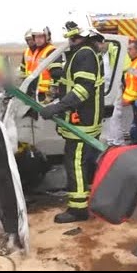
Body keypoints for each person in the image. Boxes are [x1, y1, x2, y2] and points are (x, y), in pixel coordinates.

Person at [38, 20, 104, 223]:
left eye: (72, 38)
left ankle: (78, 209)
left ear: (80, 36)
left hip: (82, 121)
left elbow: (82, 90)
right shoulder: (84, 52)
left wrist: (57, 108)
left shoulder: (84, 54)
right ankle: (85, 197)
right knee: (83, 161)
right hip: (83, 118)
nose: (70, 42)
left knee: (75, 162)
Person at [28, 26, 59, 102]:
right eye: (36, 37)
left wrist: (50, 95)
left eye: (41, 37)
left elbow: (57, 76)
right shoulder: (37, 51)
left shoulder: (51, 51)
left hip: (46, 94)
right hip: (36, 92)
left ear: (47, 37)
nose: (38, 40)